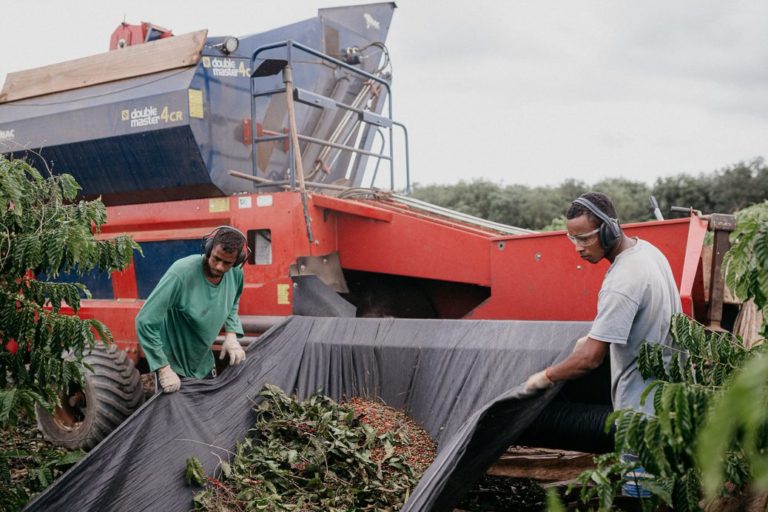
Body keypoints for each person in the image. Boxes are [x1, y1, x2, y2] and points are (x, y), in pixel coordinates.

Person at [524, 192, 681, 415]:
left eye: (585, 238)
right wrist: (595, 335)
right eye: (573, 239)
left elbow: (589, 359)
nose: (578, 248)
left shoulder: (621, 281)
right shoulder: (647, 251)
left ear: (610, 230)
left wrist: (545, 377)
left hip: (641, 417)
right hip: (674, 404)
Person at [136, 226, 248, 393]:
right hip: (174, 366)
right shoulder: (181, 273)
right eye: (216, 258)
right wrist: (163, 368)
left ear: (237, 261)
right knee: (173, 418)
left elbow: (233, 301)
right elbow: (144, 321)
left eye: (227, 263)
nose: (219, 266)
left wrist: (231, 335)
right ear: (209, 249)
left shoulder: (236, 274)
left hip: (204, 363)